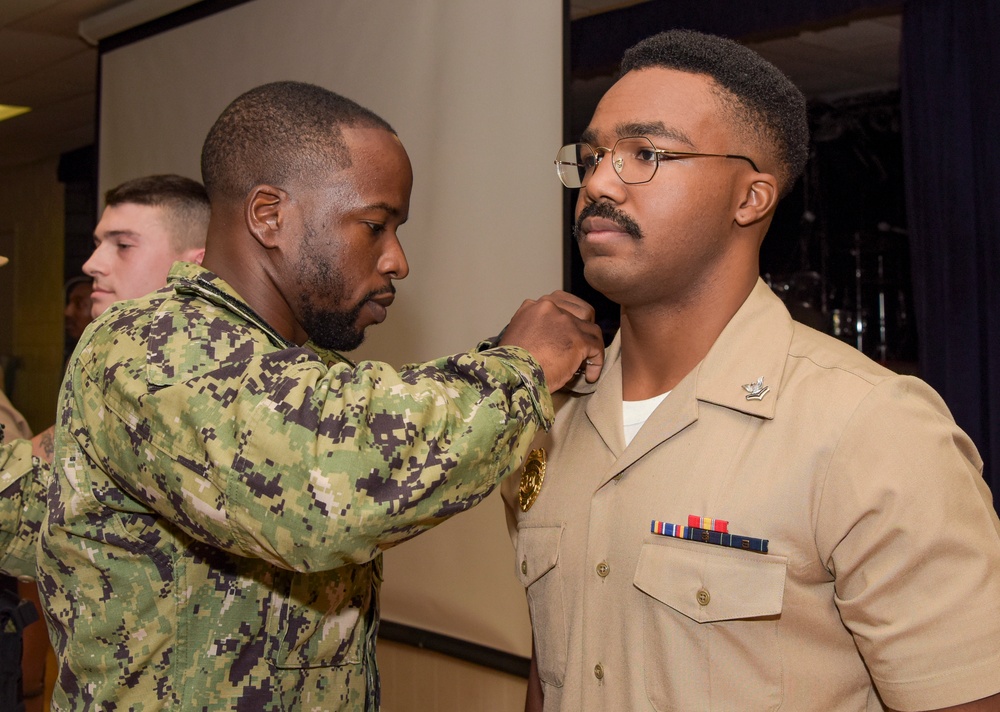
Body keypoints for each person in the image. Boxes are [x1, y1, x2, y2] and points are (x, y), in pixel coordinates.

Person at [2, 80, 604, 710]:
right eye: (375, 225)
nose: (397, 259)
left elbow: (347, 418)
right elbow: (330, 481)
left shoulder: (291, 372)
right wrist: (520, 367)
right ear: (268, 216)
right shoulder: (154, 343)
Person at [503, 30, 1000, 712]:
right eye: (591, 157)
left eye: (644, 154)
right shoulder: (549, 415)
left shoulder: (868, 428)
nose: (595, 183)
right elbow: (559, 663)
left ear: (751, 198)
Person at [83, 173, 210, 318]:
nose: (90, 266)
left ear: (195, 265)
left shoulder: (220, 339)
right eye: (97, 245)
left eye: (123, 245)